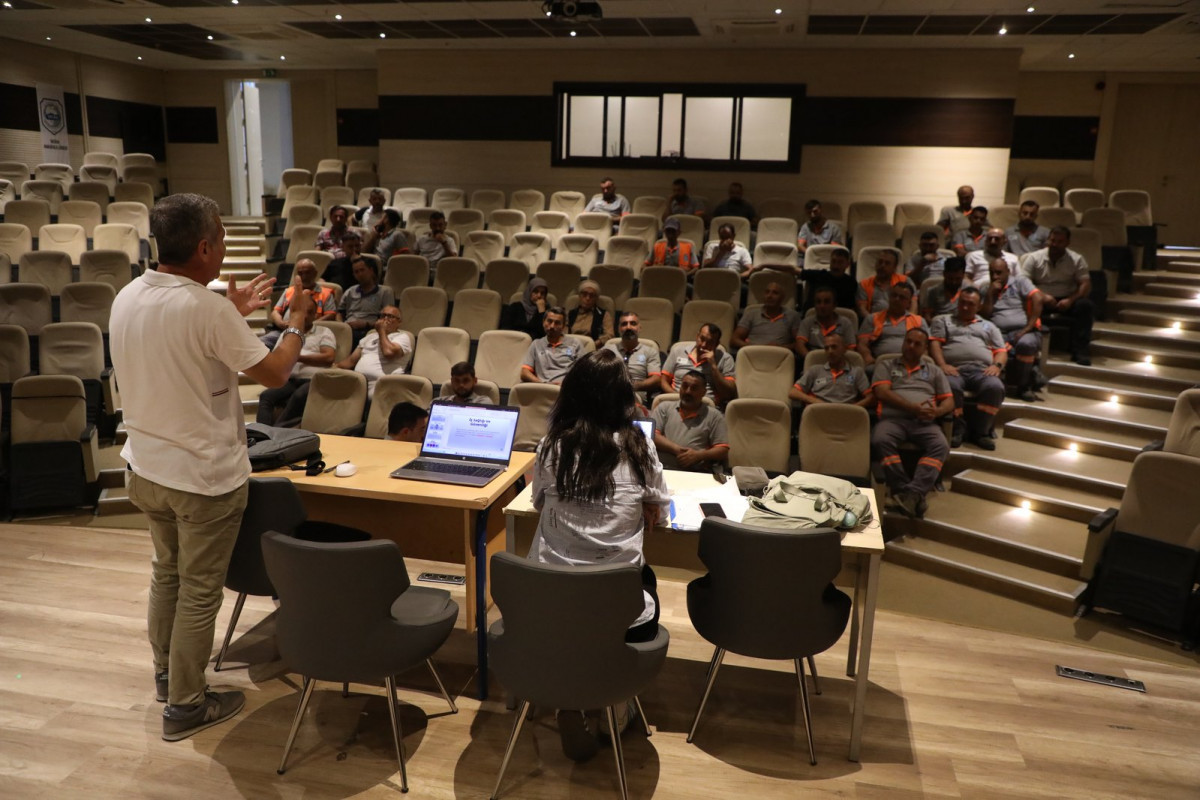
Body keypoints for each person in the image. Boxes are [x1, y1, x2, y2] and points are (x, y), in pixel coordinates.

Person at [111, 192, 312, 740]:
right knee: (200, 592)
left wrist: (230, 310)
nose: (223, 246)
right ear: (204, 247)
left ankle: (167, 677)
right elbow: (275, 373)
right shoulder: (207, 309)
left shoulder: (127, 295)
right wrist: (297, 322)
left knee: (167, 575)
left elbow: (181, 339)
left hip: (145, 468)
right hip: (200, 478)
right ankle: (186, 705)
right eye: (220, 238)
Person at [527, 348, 670, 761]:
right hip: (620, 616)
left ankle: (568, 698)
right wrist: (643, 503)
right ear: (624, 397)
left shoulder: (552, 446)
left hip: (550, 607)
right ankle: (615, 707)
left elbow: (539, 502)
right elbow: (661, 507)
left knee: (570, 595)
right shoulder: (638, 446)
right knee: (643, 580)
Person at [870, 328, 954, 519]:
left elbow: (949, 400)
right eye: (908, 341)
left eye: (917, 344)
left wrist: (937, 411)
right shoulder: (886, 365)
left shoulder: (934, 370)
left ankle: (913, 493)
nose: (910, 346)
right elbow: (882, 392)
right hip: (892, 420)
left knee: (941, 445)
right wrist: (912, 408)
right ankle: (903, 489)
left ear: (925, 348)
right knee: (880, 439)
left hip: (925, 423)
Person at [929, 286, 1007, 450]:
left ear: (979, 307)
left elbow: (1001, 351)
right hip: (953, 369)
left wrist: (996, 365)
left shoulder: (989, 326)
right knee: (951, 386)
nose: (965, 307)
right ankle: (957, 429)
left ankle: (981, 432)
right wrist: (942, 365)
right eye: (962, 302)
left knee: (995, 387)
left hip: (982, 370)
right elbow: (934, 344)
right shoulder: (942, 320)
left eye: (970, 304)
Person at [255, 301, 337, 425]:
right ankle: (261, 431)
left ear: (315, 315)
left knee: (298, 396)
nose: (305, 316)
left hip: (314, 380)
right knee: (266, 396)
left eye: (309, 312)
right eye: (303, 312)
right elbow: (277, 355)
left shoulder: (324, 332)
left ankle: (277, 429)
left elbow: (329, 358)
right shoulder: (287, 333)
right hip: (291, 380)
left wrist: (297, 357)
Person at [1022, 225, 1094, 365]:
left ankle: (1080, 351)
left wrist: (1070, 300)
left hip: (1066, 298)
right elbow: (1023, 282)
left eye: (1059, 242)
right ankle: (1029, 346)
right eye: (1052, 240)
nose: (1054, 244)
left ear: (1067, 243)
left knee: (1086, 306)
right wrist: (1042, 296)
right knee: (1025, 302)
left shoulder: (1077, 259)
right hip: (1040, 298)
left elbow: (1085, 284)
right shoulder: (1034, 257)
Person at [982, 256, 1043, 402]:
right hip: (998, 332)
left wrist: (1028, 328)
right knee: (994, 345)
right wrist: (990, 294)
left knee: (1026, 344)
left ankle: (1024, 387)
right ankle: (1032, 374)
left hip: (1022, 330)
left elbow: (1038, 299)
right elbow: (984, 315)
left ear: (1008, 272)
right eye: (991, 273)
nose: (995, 277)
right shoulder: (985, 289)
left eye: (998, 273)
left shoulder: (1020, 282)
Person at [652, 370, 730, 471]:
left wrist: (699, 455)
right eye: (685, 386)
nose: (688, 391)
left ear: (703, 392)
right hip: (662, 469)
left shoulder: (714, 416)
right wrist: (677, 450)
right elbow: (651, 435)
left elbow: (722, 449)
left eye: (694, 388)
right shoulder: (664, 407)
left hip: (697, 472)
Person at [335, 304, 412, 398]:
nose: (385, 319)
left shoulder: (402, 337)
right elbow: (351, 361)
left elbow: (388, 353)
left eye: (390, 316)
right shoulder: (369, 337)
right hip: (359, 382)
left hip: (382, 384)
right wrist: (333, 367)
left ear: (399, 322)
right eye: (383, 316)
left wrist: (381, 331)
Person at [263, 257, 336, 347]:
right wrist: (281, 323)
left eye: (307, 272)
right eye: (300, 273)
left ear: (315, 273)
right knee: (262, 343)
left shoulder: (326, 293)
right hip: (284, 331)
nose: (304, 277)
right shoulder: (289, 291)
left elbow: (331, 315)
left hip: (310, 333)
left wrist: (309, 325)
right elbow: (275, 312)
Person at [661, 323, 737, 406]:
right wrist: (678, 397)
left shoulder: (725, 358)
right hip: (675, 400)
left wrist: (714, 367)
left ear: (716, 344)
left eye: (710, 342)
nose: (704, 345)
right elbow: (663, 381)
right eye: (702, 339)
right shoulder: (677, 351)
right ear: (697, 336)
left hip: (706, 404)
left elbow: (728, 393)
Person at [790, 332, 873, 408]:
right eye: (826, 348)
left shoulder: (856, 372)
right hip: (820, 410)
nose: (830, 351)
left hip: (847, 413)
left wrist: (853, 408)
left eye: (834, 347)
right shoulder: (815, 370)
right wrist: (814, 401)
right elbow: (793, 392)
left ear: (844, 349)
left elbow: (870, 397)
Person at [858, 282, 927, 367]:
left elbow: (925, 348)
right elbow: (862, 344)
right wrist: (867, 357)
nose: (897, 299)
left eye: (902, 297)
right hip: (880, 364)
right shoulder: (872, 318)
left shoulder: (919, 321)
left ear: (909, 303)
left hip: (911, 364)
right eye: (894, 295)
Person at [604, 311, 662, 407]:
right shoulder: (608, 350)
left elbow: (656, 379)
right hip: (610, 394)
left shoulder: (650, 351)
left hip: (636, 397)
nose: (628, 327)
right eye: (624, 324)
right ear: (619, 329)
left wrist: (632, 386)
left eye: (633, 323)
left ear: (639, 328)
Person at [338, 255, 395, 347]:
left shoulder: (385, 292)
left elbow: (388, 319)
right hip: (348, 329)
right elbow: (339, 312)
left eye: (362, 270)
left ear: (371, 271)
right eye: (356, 272)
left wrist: (365, 324)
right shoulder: (350, 291)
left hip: (370, 330)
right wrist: (341, 325)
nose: (360, 274)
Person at [732, 281, 801, 352]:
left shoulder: (792, 316)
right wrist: (754, 347)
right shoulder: (751, 314)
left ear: (782, 298)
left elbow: (799, 343)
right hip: (753, 353)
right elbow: (734, 339)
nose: (769, 296)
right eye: (767, 292)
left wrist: (781, 347)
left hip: (780, 354)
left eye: (775, 293)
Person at [521, 306, 580, 384]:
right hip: (542, 387)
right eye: (549, 321)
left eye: (557, 323)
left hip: (565, 388)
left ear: (563, 326)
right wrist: (541, 384)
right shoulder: (536, 344)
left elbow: (584, 371)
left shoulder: (575, 343)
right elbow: (524, 372)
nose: (552, 326)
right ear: (543, 322)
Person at [796, 286, 858, 357]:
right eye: (818, 302)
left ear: (834, 305)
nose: (822, 306)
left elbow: (851, 349)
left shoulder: (845, 323)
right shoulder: (807, 322)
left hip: (838, 360)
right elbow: (799, 345)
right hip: (814, 359)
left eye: (826, 302)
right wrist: (811, 358)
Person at [857, 249, 917, 317]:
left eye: (887, 263)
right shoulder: (864, 284)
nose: (882, 265)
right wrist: (873, 321)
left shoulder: (905, 280)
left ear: (894, 267)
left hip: (902, 320)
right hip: (874, 320)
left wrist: (907, 320)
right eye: (880, 262)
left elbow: (913, 305)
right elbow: (862, 309)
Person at [799, 246, 857, 312]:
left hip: (840, 316)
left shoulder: (851, 282)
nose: (836, 266)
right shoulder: (818, 275)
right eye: (833, 261)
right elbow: (795, 270)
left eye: (840, 262)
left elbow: (851, 309)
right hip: (813, 315)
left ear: (847, 264)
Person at [567, 279, 613, 348]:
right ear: (579, 296)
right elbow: (563, 333)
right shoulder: (570, 314)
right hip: (571, 347)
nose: (587, 298)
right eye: (584, 294)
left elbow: (610, 335)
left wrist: (592, 345)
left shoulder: (604, 315)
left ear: (596, 298)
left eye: (592, 295)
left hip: (593, 348)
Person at [921, 256, 967, 322]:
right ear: (944, 274)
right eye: (950, 278)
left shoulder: (969, 291)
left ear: (963, 275)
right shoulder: (933, 291)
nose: (954, 282)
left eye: (958, 279)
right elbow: (927, 315)